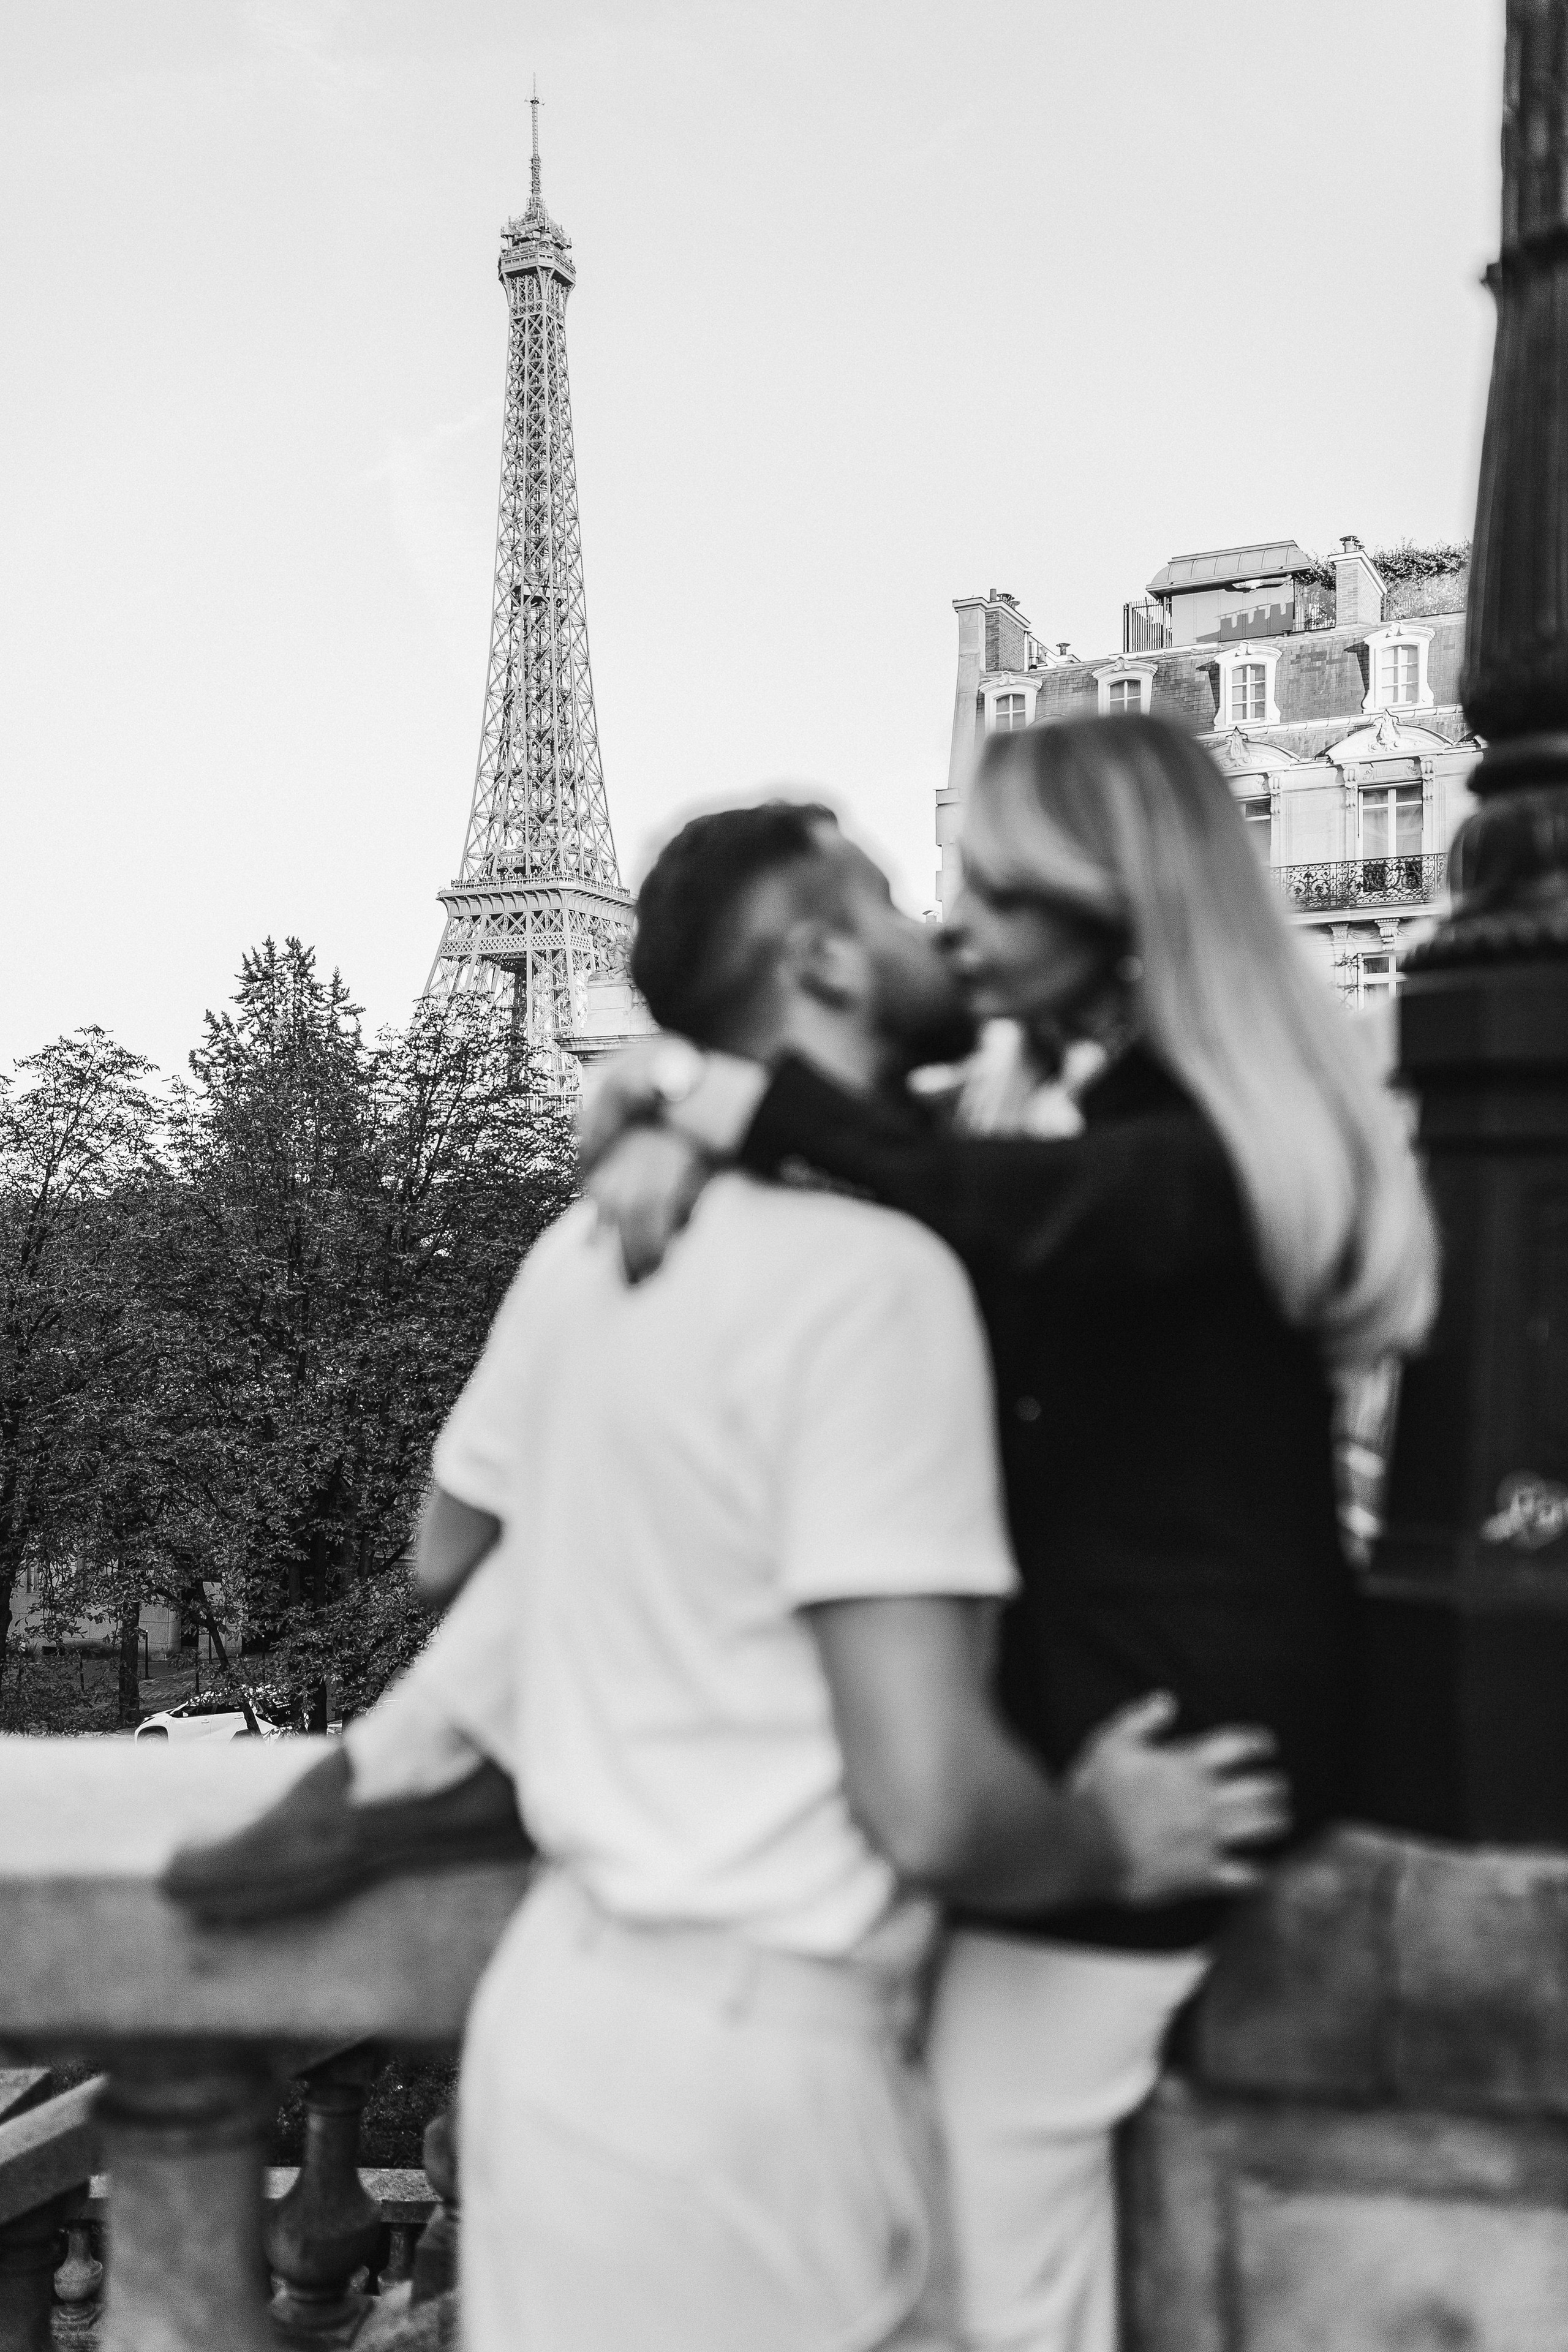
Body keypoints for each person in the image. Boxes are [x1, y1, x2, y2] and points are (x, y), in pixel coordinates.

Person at [164, 801, 1287, 2352]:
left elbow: (448, 1548)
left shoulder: (590, 1240)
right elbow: (931, 1799)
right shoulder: (877, 1282)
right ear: (821, 956)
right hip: (755, 2074)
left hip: (557, 2031)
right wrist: (1101, 1840)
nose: (934, 930)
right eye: (894, 902)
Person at [581, 718, 1439, 2352]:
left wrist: (709, 1091)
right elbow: (932, 1171)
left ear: (1115, 905)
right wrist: (663, 1104)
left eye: (994, 894)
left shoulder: (1195, 1145)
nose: (959, 928)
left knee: (995, 2242)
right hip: (1107, 1712)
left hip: (1182, 1744)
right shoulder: (1118, 1104)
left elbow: (978, 1207)